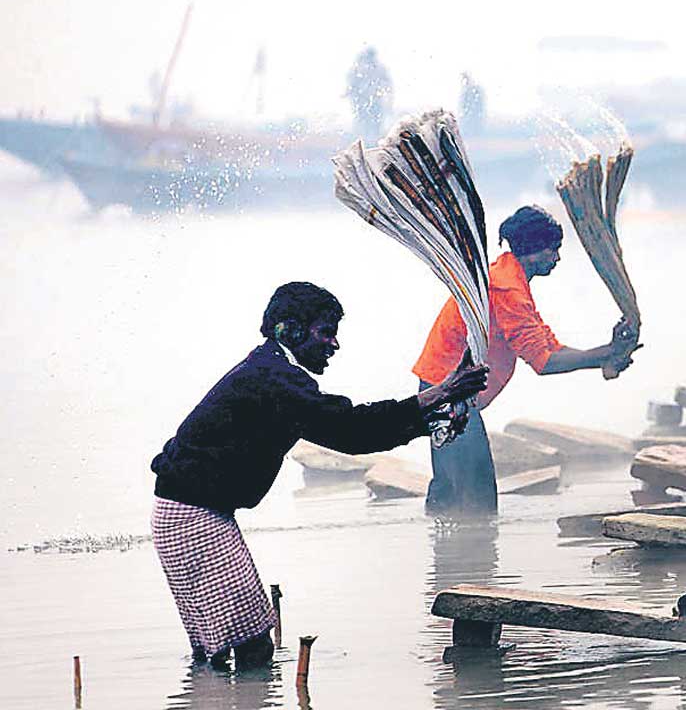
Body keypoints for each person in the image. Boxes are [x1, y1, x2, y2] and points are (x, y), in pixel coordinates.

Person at [151, 282, 488, 669]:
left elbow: (351, 430)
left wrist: (434, 416)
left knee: (218, 650)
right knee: (252, 646)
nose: (334, 345)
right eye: (326, 333)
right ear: (290, 330)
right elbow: (351, 430)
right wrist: (442, 392)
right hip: (193, 518)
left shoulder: (271, 371)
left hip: (186, 513)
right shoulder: (273, 379)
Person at [412, 205, 639, 514]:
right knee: (475, 498)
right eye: (553, 249)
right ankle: (463, 556)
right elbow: (543, 362)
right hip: (448, 392)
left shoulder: (510, 277)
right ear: (533, 251)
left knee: (451, 488)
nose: (557, 257)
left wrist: (606, 353)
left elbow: (547, 344)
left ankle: (447, 555)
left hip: (446, 389)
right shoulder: (506, 289)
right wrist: (607, 354)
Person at [345, 47, 393, 140]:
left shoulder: (373, 68)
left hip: (372, 102)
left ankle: (369, 142)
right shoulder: (360, 68)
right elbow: (352, 82)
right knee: (365, 126)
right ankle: (366, 142)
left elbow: (387, 84)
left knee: (372, 126)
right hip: (363, 103)